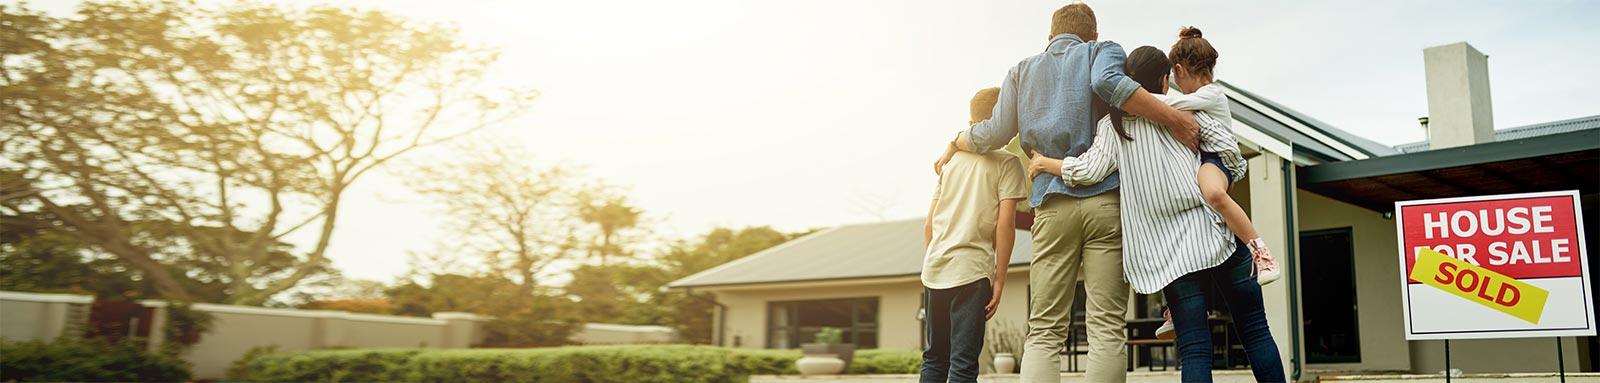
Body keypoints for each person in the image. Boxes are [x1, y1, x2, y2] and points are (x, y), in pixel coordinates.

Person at [934, 3, 1203, 382]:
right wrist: (1175, 119)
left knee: (1045, 328)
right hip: (1106, 202)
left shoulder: (1021, 71)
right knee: (1107, 325)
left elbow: (994, 133)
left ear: (1049, 38)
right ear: (1092, 35)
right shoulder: (1103, 50)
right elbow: (1109, 84)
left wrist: (959, 140)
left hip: (1052, 204)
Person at [1028, 45, 1286, 383]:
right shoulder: (1182, 110)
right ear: (1165, 81)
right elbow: (1231, 154)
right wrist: (1225, 179)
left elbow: (1088, 171)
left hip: (1170, 257)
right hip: (1214, 233)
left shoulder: (1112, 125)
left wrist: (1046, 163)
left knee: (1194, 347)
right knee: (1255, 330)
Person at [920, 87, 1029, 383]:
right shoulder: (1008, 163)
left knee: (933, 358)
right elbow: (1004, 226)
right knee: (964, 363)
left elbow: (929, 226)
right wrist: (999, 279)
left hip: (935, 269)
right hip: (971, 271)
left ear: (971, 124)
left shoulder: (949, 163)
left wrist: (935, 258)